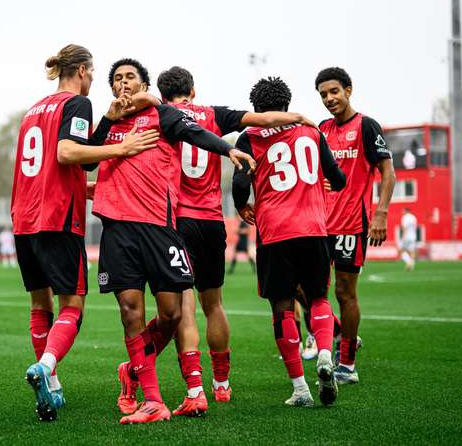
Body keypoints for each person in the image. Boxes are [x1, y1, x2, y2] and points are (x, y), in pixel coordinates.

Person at [91, 58, 255, 424]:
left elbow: (195, 133)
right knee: (130, 311)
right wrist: (108, 120)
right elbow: (87, 158)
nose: (123, 83)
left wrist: (227, 149)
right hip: (117, 227)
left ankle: (131, 370)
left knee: (172, 313)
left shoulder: (162, 116)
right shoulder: (109, 123)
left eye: (130, 77)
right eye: (116, 79)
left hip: (161, 226)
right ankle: (153, 400)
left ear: (145, 83)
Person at [14, 44, 161, 422]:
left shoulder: (33, 110)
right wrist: (123, 148)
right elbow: (66, 153)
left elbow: (57, 161)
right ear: (80, 70)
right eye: (93, 72)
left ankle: (52, 385)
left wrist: (104, 137)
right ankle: (46, 367)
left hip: (24, 218)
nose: (94, 79)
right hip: (58, 218)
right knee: (72, 308)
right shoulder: (76, 104)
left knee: (39, 305)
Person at [155, 65, 314, 416]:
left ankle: (195, 386)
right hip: (212, 221)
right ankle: (222, 385)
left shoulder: (161, 115)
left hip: (178, 221)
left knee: (185, 306)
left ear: (163, 96)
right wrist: (299, 116)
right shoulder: (214, 114)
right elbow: (260, 119)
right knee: (214, 304)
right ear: (193, 91)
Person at [232, 76, 346, 407]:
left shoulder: (248, 136)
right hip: (314, 230)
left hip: (275, 233)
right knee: (319, 297)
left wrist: (243, 205)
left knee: (282, 308)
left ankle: (300, 389)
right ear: (286, 105)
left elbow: (241, 184)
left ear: (256, 110)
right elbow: (337, 179)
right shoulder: (312, 131)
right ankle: (325, 353)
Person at [316, 67, 395, 384]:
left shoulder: (366, 126)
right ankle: (338, 331)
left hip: (351, 223)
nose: (329, 99)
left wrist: (381, 213)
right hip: (319, 224)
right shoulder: (321, 128)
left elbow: (388, 172)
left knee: (344, 292)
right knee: (303, 289)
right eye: (323, 94)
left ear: (348, 90)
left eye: (334, 91)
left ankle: (347, 363)